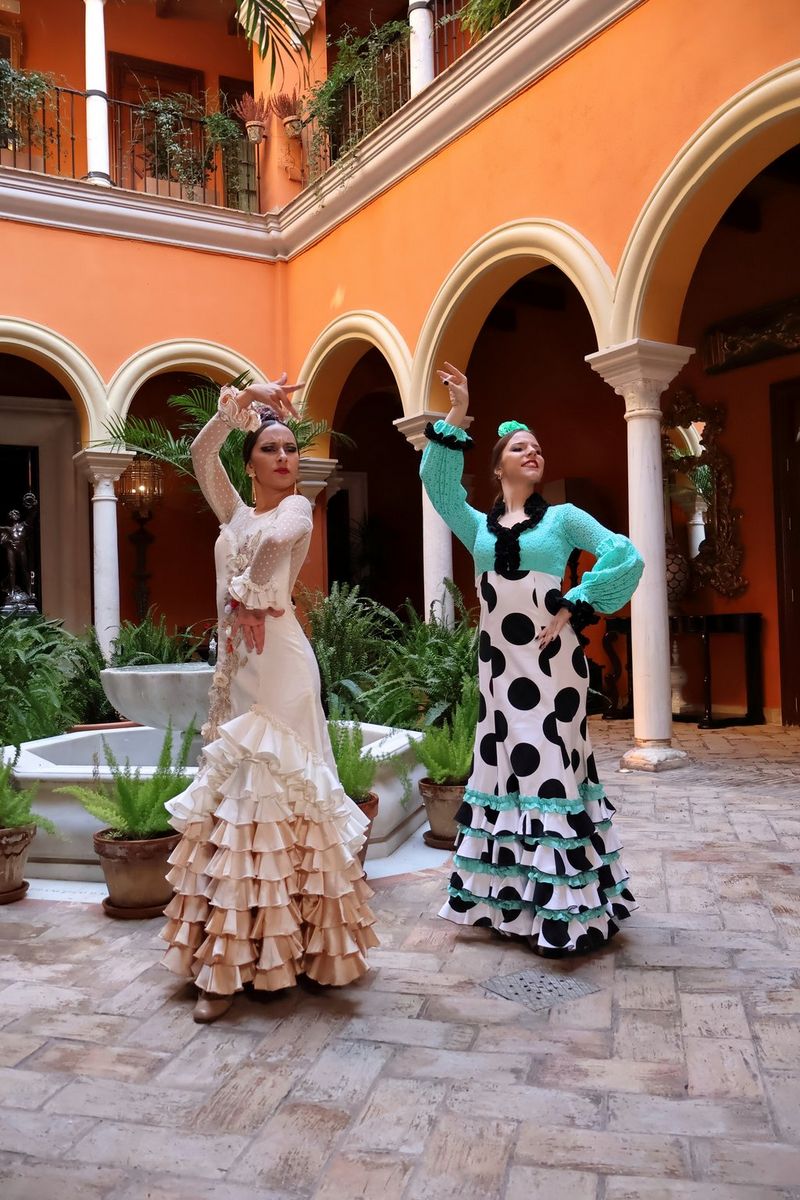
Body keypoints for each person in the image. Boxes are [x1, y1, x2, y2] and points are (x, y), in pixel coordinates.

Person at [161, 376, 378, 1022]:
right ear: (250, 463)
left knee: (275, 791)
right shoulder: (233, 512)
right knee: (235, 808)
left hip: (281, 663)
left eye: (290, 449)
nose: (286, 457)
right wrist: (242, 402)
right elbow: (201, 456)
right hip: (237, 669)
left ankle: (281, 959)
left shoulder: (297, 508)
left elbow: (278, 546)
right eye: (271, 449)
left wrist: (247, 595)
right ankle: (227, 959)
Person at [420, 363, 644, 956]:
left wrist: (574, 604)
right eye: (521, 447)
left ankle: (564, 917)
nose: (533, 453)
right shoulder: (476, 527)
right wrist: (457, 412)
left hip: (553, 670)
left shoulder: (564, 520)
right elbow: (438, 484)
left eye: (538, 448)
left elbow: (626, 555)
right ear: (498, 466)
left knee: (550, 766)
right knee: (504, 768)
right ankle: (509, 906)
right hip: (497, 671)